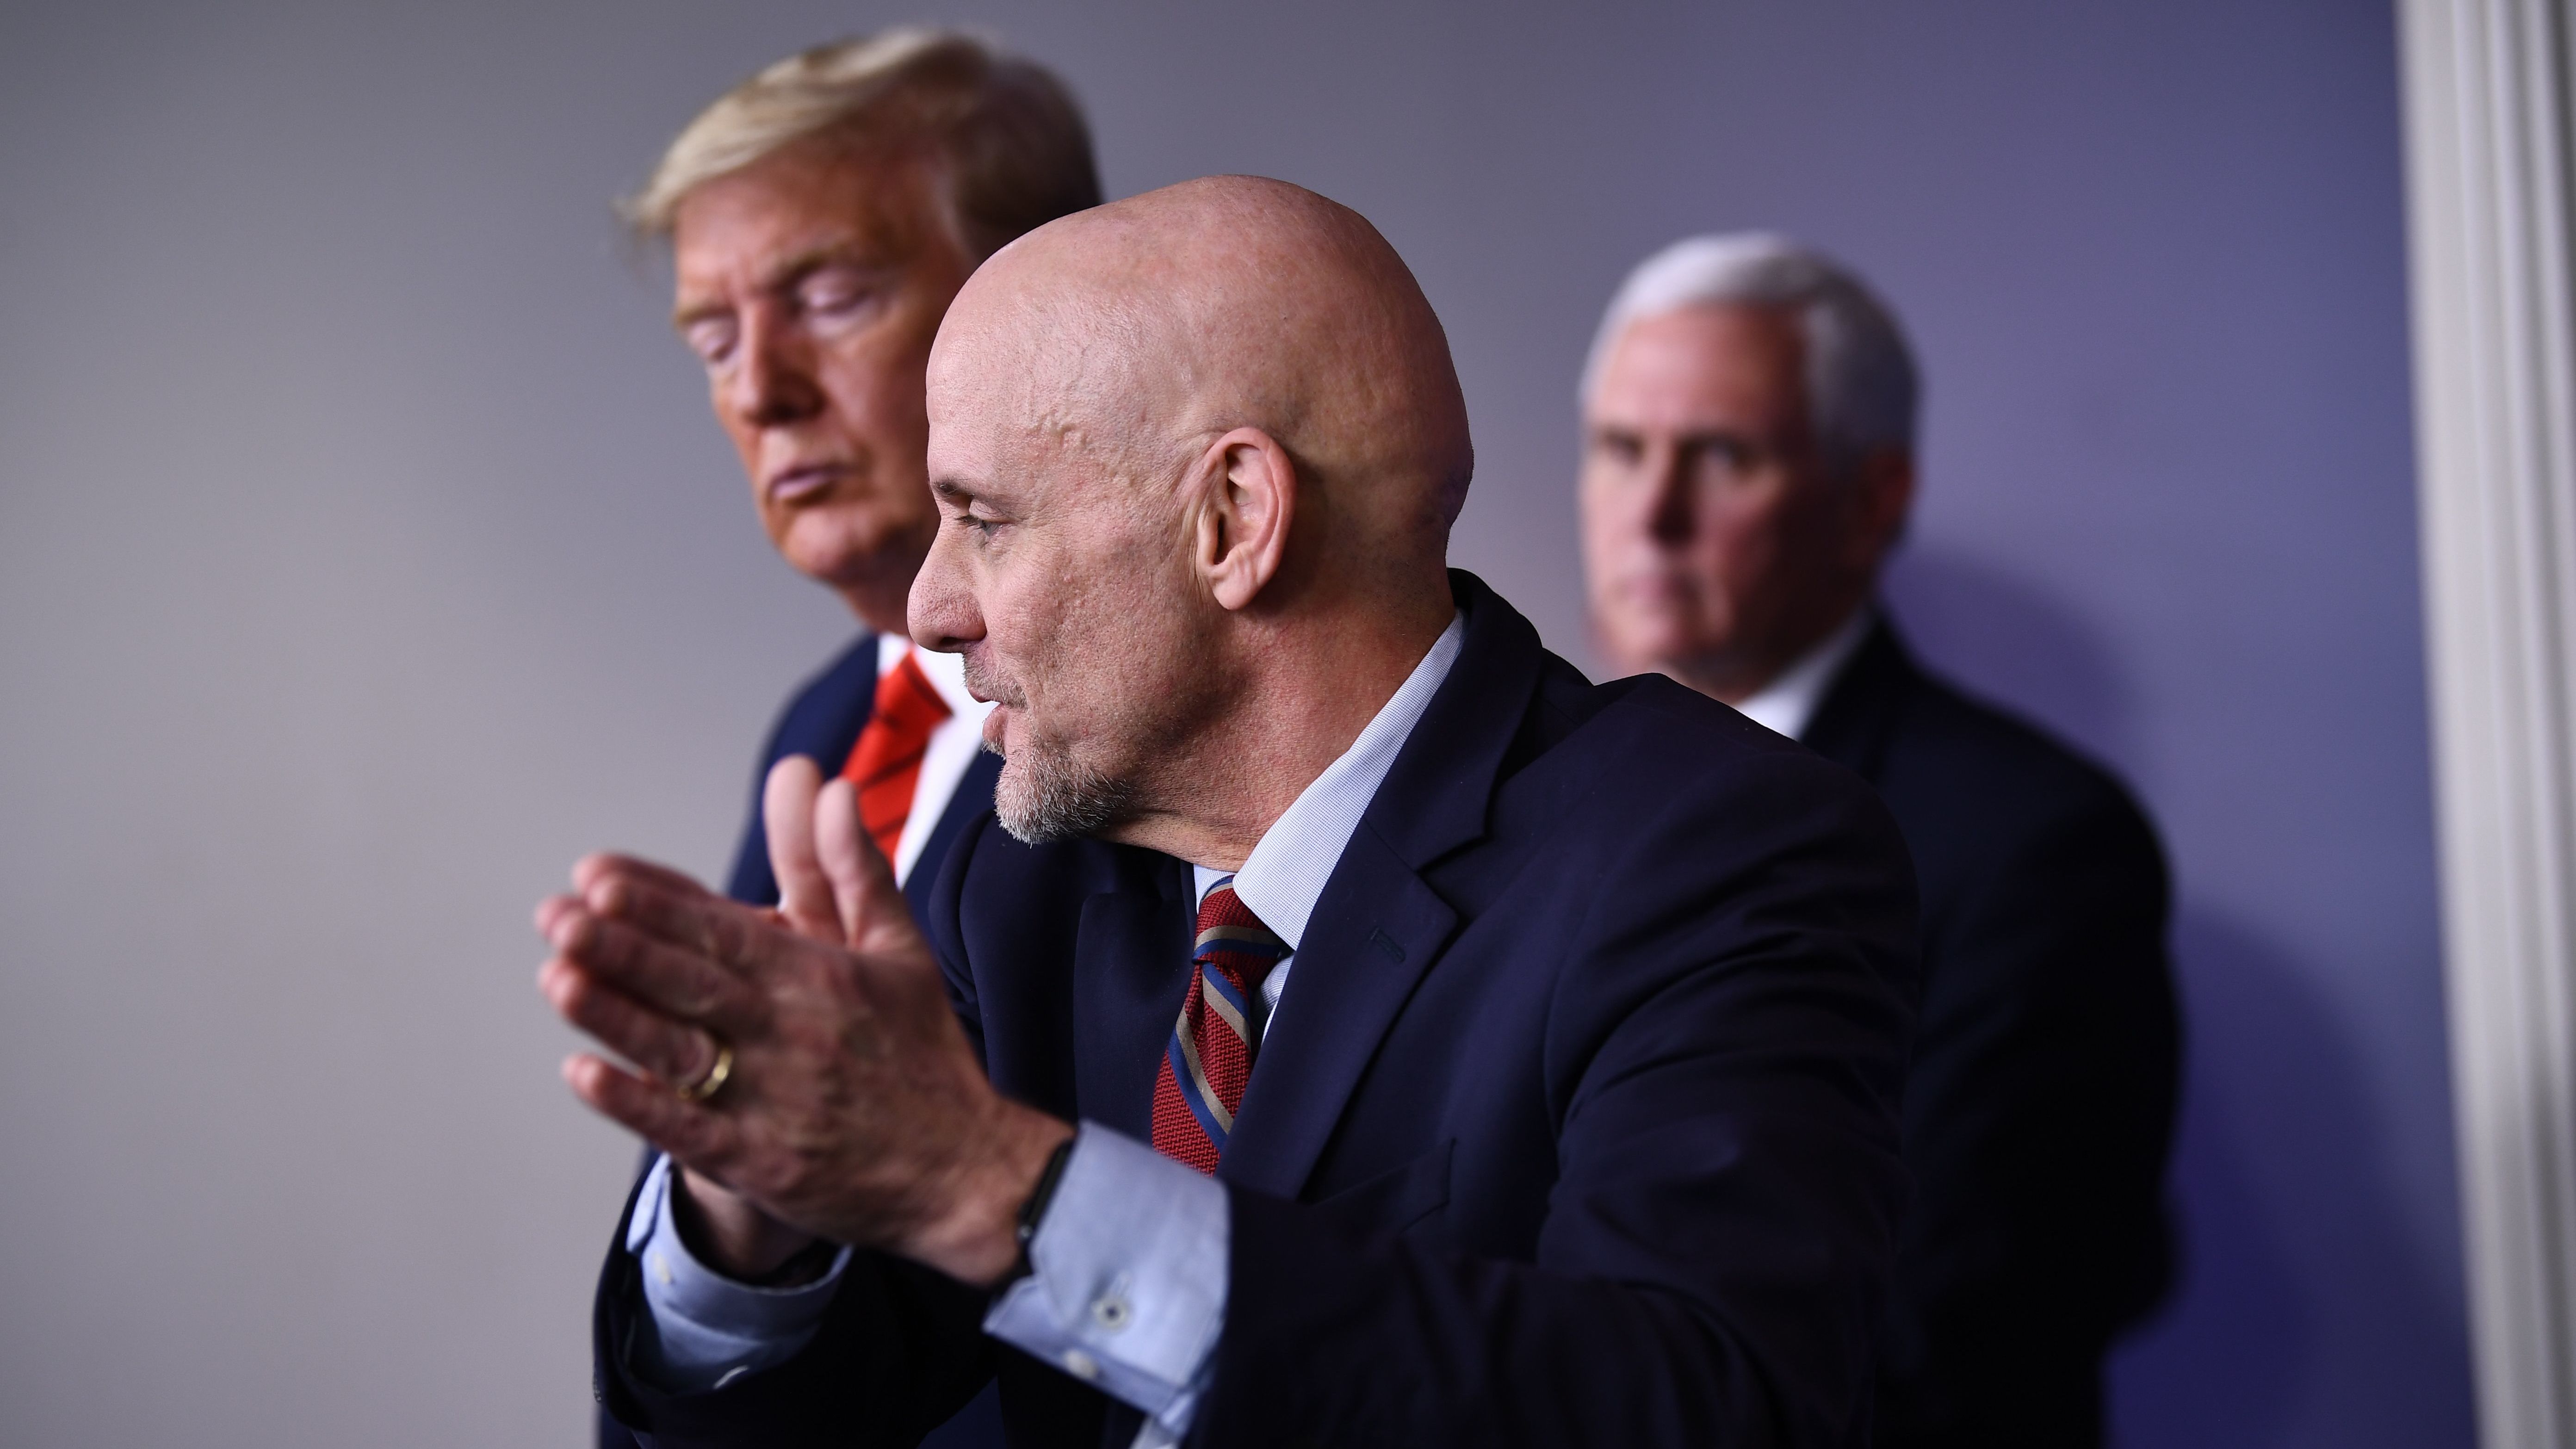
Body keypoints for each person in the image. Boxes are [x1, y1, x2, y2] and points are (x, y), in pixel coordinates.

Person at [540, 178, 1922, 1447]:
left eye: (986, 518)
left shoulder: (1716, 850)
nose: (928, 606)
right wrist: (756, 1212)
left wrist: (990, 1183)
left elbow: (1709, 1405)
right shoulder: (1011, 879)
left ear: (1233, 521)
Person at [1577, 233, 2180, 1447]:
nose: (1653, 514)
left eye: (1723, 456)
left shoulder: (2039, 847)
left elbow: (1948, 1341)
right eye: (1620, 449)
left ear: (1872, 503)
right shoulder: (1529, 806)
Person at [606, 29, 1100, 1447]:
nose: (759, 389)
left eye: (827, 297)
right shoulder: (831, 720)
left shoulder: (1157, 730)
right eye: (713, 335)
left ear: (1036, 300)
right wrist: (727, 1222)